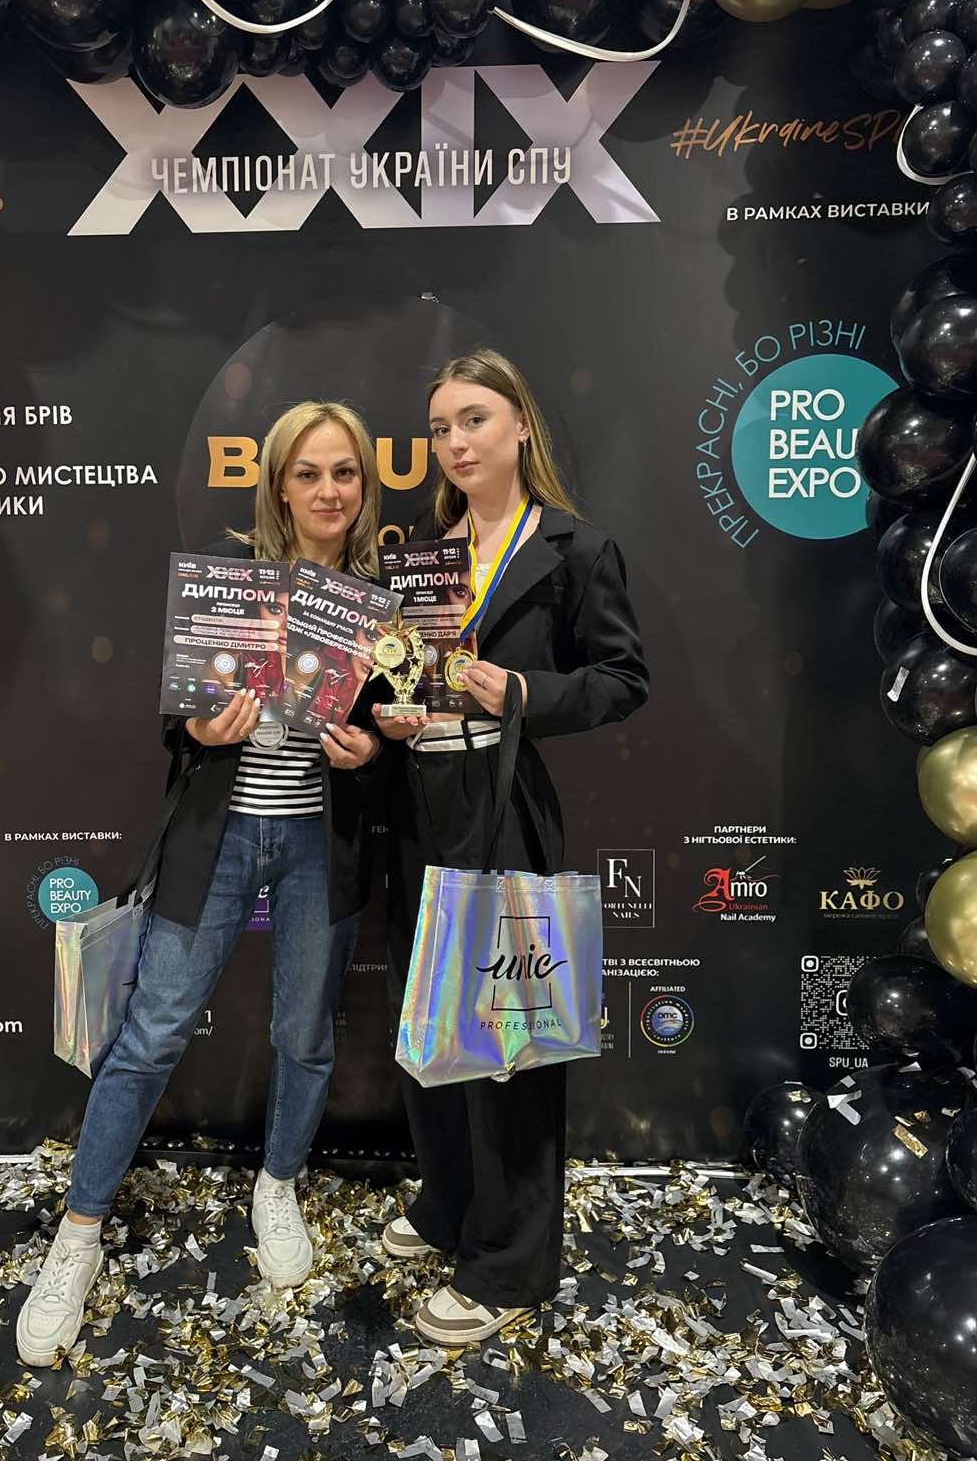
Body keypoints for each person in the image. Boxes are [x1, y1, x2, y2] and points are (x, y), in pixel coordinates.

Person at [17, 401, 385, 1367]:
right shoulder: (230, 580)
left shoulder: (381, 603)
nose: (329, 491)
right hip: (217, 841)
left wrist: (369, 753)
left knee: (304, 1033)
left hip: (318, 844)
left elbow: (389, 737)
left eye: (344, 472)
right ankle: (78, 1235)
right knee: (151, 1034)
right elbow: (175, 718)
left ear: (364, 483)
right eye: (308, 473)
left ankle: (278, 1184)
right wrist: (198, 729)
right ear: (278, 486)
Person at [377, 349, 649, 1349]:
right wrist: (397, 715)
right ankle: (452, 1205)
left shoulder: (576, 548)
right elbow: (405, 674)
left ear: (520, 425)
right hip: (420, 799)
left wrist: (524, 692)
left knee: (510, 1038)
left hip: (504, 802)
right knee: (431, 1018)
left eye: (475, 419)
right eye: (440, 427)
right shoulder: (421, 552)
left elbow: (623, 679)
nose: (455, 442)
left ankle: (512, 1264)